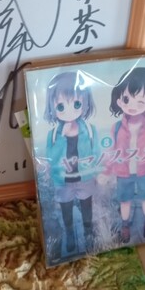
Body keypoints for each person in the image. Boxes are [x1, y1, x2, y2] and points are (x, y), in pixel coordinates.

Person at [106, 66, 145, 243]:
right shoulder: (116, 127)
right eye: (126, 99)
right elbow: (112, 152)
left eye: (140, 102)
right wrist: (107, 171)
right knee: (124, 201)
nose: (132, 106)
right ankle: (125, 225)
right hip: (123, 172)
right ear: (119, 99)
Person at [44, 71, 97, 254]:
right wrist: (62, 136)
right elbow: (52, 157)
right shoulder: (53, 134)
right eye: (60, 106)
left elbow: (96, 151)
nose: (69, 111)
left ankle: (89, 234)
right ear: (52, 106)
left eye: (76, 104)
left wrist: (98, 172)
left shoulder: (90, 129)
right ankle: (70, 235)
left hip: (85, 178)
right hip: (63, 181)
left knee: (87, 209)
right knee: (66, 212)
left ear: (86, 102)